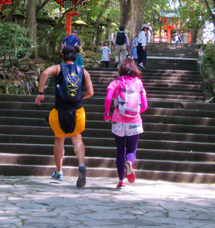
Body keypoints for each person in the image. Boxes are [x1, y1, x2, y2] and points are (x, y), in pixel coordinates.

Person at [35, 46, 94, 187]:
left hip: (59, 110)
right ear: (76, 57)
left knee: (59, 140)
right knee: (77, 139)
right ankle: (80, 165)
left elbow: (44, 73)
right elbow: (91, 92)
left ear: (62, 56)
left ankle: (59, 171)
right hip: (78, 111)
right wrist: (80, 97)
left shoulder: (58, 68)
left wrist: (40, 93)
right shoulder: (83, 71)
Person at [104, 58, 148, 189]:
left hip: (118, 120)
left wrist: (107, 114)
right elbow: (145, 105)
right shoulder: (138, 83)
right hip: (134, 121)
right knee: (131, 151)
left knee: (119, 151)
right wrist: (135, 112)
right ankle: (129, 162)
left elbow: (108, 98)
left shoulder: (116, 82)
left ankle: (121, 180)